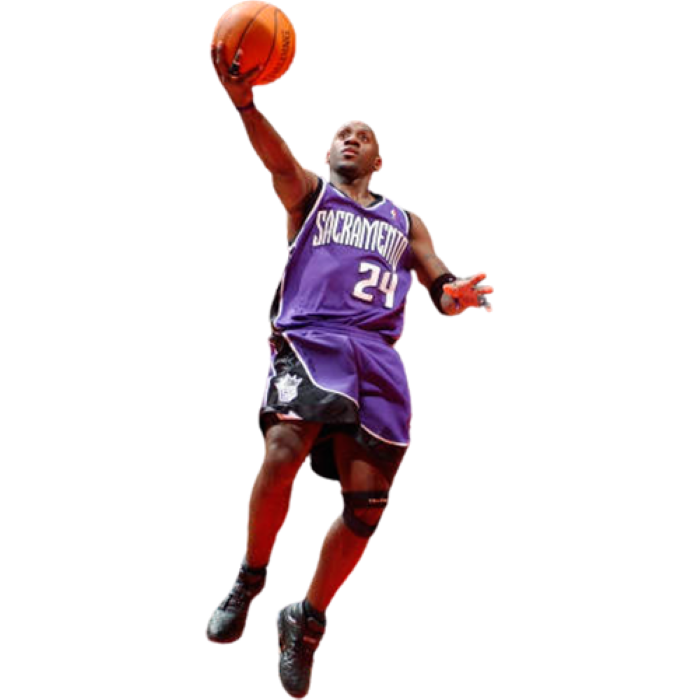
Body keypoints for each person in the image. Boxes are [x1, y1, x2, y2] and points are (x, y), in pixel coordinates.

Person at [205, 43, 495, 700]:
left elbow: (437, 279)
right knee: (284, 448)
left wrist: (452, 292)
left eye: (362, 136)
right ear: (329, 152)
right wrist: (246, 105)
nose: (350, 139)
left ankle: (305, 621)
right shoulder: (309, 196)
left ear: (378, 161)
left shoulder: (404, 220)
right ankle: (250, 579)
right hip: (313, 340)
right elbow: (276, 159)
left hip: (378, 360)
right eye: (341, 134)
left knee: (367, 507)